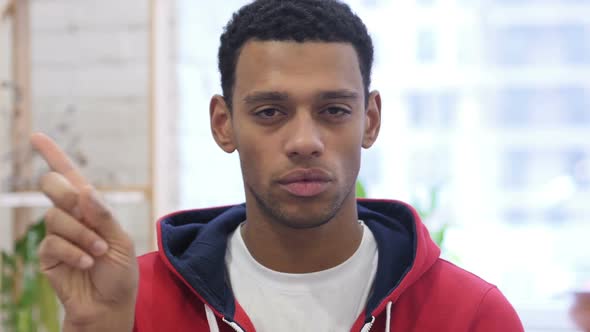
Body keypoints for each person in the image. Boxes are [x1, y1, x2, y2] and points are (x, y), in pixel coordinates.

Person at [31, 0, 524, 331]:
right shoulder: (132, 300)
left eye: (333, 110)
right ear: (223, 124)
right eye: (270, 112)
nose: (305, 141)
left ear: (370, 120)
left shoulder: (470, 315)